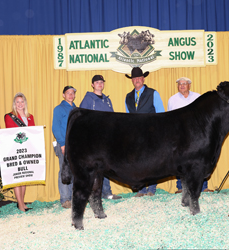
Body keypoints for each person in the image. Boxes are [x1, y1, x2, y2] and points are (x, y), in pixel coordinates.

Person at [167, 77, 213, 194]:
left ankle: (203, 186)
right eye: (180, 84)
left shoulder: (198, 97)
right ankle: (182, 187)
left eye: (184, 83)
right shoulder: (172, 100)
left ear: (189, 85)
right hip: (179, 135)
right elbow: (169, 118)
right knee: (179, 160)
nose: (182, 85)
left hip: (196, 134)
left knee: (199, 159)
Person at [80, 75, 122, 200]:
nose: (99, 84)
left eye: (101, 82)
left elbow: (113, 119)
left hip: (106, 139)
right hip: (93, 139)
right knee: (93, 167)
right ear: (92, 85)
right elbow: (81, 118)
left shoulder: (107, 100)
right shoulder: (88, 99)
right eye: (97, 82)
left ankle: (107, 192)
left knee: (105, 166)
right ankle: (92, 193)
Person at [125, 67, 165, 197]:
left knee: (152, 161)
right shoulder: (128, 97)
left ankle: (151, 189)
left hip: (151, 133)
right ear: (132, 80)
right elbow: (128, 117)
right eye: (134, 78)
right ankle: (141, 189)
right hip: (135, 135)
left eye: (139, 77)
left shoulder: (153, 93)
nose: (137, 80)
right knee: (138, 162)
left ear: (143, 79)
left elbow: (161, 114)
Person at [4, 92, 35, 212]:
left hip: (27, 148)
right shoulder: (9, 116)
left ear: (25, 103)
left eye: (22, 102)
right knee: (18, 177)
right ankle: (20, 204)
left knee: (25, 175)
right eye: (17, 102)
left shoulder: (30, 116)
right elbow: (12, 133)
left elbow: (33, 132)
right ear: (14, 104)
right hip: (15, 149)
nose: (20, 104)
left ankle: (22, 203)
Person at [52, 86, 77, 208]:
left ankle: (73, 197)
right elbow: (55, 127)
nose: (71, 95)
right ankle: (65, 199)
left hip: (75, 145)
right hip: (64, 144)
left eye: (73, 93)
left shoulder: (76, 109)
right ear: (63, 95)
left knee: (74, 170)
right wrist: (62, 143)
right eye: (68, 93)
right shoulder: (59, 109)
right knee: (64, 170)